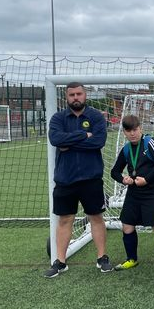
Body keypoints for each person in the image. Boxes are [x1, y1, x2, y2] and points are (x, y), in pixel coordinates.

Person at [45, 82, 111, 277]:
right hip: (65, 179)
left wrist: (70, 142)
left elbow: (98, 141)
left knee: (96, 218)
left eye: (79, 94)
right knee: (65, 220)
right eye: (72, 94)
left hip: (91, 178)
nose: (76, 97)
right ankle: (60, 262)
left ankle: (102, 257)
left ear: (85, 95)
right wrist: (84, 135)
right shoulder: (58, 118)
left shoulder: (96, 116)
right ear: (66, 97)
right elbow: (56, 140)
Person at [110, 115, 154, 274]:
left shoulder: (150, 142)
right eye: (129, 130)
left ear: (140, 128)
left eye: (135, 129)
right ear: (124, 132)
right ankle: (132, 259)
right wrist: (123, 179)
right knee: (127, 225)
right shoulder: (126, 149)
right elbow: (114, 172)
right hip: (134, 192)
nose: (133, 133)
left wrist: (147, 179)